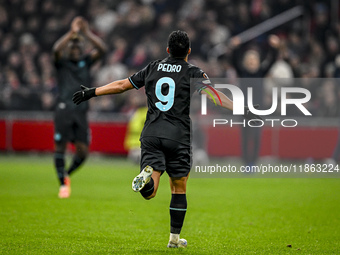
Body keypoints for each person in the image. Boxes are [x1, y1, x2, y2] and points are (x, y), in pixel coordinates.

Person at [72, 30, 260, 248]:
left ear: (168, 50)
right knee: (179, 187)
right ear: (188, 51)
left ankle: (146, 180)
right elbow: (215, 96)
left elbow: (122, 85)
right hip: (178, 137)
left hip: (152, 133)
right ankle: (174, 239)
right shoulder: (193, 72)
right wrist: (243, 108)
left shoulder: (152, 67)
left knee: (151, 193)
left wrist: (92, 92)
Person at [52, 16, 107, 198]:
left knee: (83, 152)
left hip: (81, 111)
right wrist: (72, 32)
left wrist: (85, 33)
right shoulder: (62, 63)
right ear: (68, 48)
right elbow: (55, 50)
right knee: (60, 146)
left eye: (77, 47)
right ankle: (62, 185)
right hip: (64, 108)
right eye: (72, 47)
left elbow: (102, 49)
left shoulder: (85, 62)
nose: (75, 49)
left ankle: (66, 174)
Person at [230, 35, 280, 168]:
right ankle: (246, 163)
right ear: (246, 61)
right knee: (245, 137)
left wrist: (274, 47)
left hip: (258, 109)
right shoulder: (242, 73)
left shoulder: (261, 73)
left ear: (258, 62)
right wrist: (235, 47)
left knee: (257, 136)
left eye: (254, 60)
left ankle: (253, 162)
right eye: (250, 60)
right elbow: (234, 60)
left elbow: (272, 61)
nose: (252, 62)